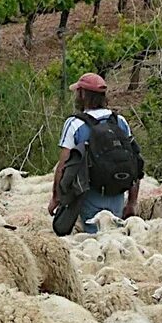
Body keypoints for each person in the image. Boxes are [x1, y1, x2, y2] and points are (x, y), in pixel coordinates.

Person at [48, 72, 142, 234]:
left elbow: (62, 166)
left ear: (83, 94)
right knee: (116, 241)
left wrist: (56, 198)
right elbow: (134, 162)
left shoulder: (74, 124)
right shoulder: (119, 121)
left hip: (89, 195)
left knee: (94, 243)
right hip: (117, 194)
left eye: (78, 92)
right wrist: (132, 201)